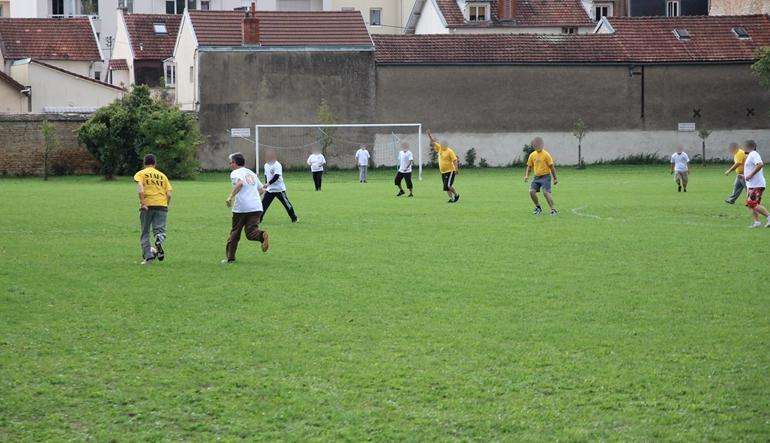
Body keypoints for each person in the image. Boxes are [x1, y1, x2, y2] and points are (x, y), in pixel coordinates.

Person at [223, 152, 269, 263]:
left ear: (234, 163)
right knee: (251, 233)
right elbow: (262, 189)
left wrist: (230, 197)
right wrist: (252, 197)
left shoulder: (235, 173)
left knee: (235, 232)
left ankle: (230, 258)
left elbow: (240, 184)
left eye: (230, 163)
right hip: (257, 206)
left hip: (242, 208)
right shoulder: (251, 173)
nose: (230, 165)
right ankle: (262, 235)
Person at [133, 154, 172, 265]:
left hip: (148, 205)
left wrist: (142, 202)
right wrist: (166, 205)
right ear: (155, 163)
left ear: (144, 163)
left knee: (145, 232)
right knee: (160, 230)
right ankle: (159, 239)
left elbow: (140, 189)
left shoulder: (141, 173)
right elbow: (169, 193)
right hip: (162, 205)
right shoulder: (162, 176)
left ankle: (148, 257)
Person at [523, 137, 558, 215]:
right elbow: (529, 166)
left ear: (542, 145)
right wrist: (526, 176)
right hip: (536, 177)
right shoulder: (532, 155)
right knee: (531, 192)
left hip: (546, 177)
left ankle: (553, 209)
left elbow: (552, 167)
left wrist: (555, 178)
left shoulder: (546, 154)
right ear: (534, 146)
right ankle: (538, 207)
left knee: (546, 193)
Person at [262, 150, 298, 223]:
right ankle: (258, 219)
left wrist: (268, 184)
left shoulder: (277, 165)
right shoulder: (266, 165)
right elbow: (266, 175)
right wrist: (266, 185)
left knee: (287, 204)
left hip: (279, 190)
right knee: (263, 205)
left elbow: (276, 176)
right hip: (270, 190)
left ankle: (294, 218)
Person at [427, 130, 460, 203]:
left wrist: (456, 169)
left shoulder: (450, 151)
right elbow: (433, 142)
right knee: (446, 187)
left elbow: (455, 160)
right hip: (443, 172)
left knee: (448, 185)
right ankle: (451, 199)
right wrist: (429, 135)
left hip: (450, 171)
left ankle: (456, 195)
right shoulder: (440, 148)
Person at [742, 140, 769, 228]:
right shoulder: (750, 155)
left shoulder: (754, 154)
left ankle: (769, 217)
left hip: (757, 184)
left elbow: (760, 164)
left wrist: (750, 175)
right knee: (750, 205)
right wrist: (744, 175)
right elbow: (752, 168)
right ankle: (757, 222)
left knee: (751, 202)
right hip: (751, 184)